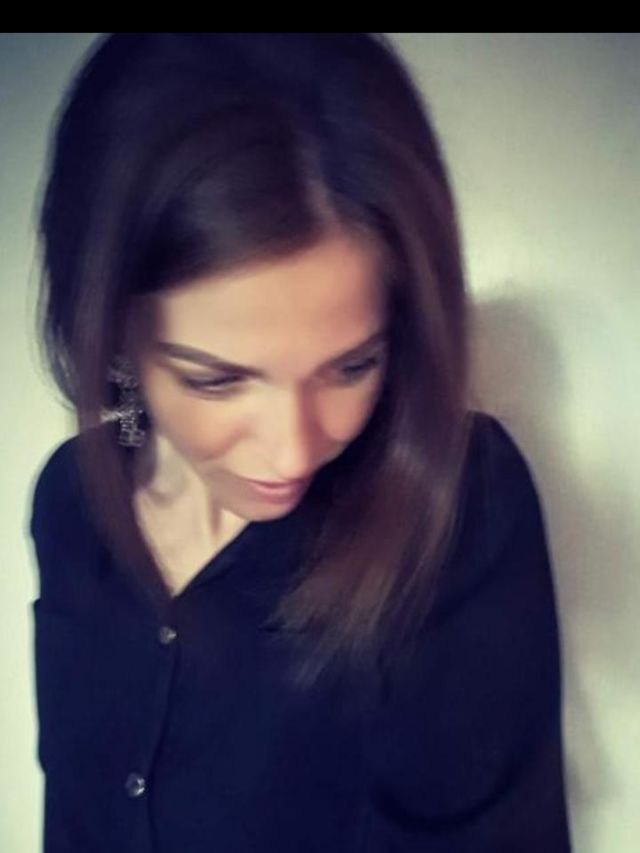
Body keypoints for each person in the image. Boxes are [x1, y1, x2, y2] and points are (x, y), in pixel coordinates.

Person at [29, 33, 572, 852]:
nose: (292, 453)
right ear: (110, 332)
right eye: (217, 379)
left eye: (353, 366)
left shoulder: (460, 506)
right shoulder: (71, 501)